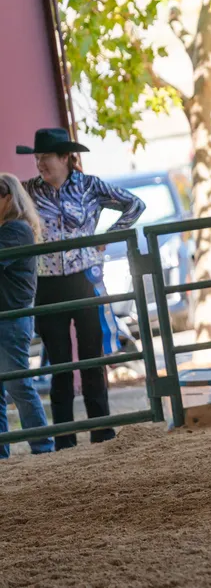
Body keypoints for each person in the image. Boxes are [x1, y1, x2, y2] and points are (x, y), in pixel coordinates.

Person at [18, 128, 144, 449]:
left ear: (65, 158)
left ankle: (101, 430)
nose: (39, 164)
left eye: (45, 158)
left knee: (92, 356)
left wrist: (105, 238)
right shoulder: (28, 191)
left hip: (85, 280)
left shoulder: (90, 186)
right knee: (59, 363)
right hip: (46, 284)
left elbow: (134, 205)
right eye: (36, 158)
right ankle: (64, 438)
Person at [0, 172, 55, 459]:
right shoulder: (11, 229)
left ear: (7, 197)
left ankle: (43, 447)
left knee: (19, 384)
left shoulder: (15, 230)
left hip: (11, 317)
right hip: (7, 316)